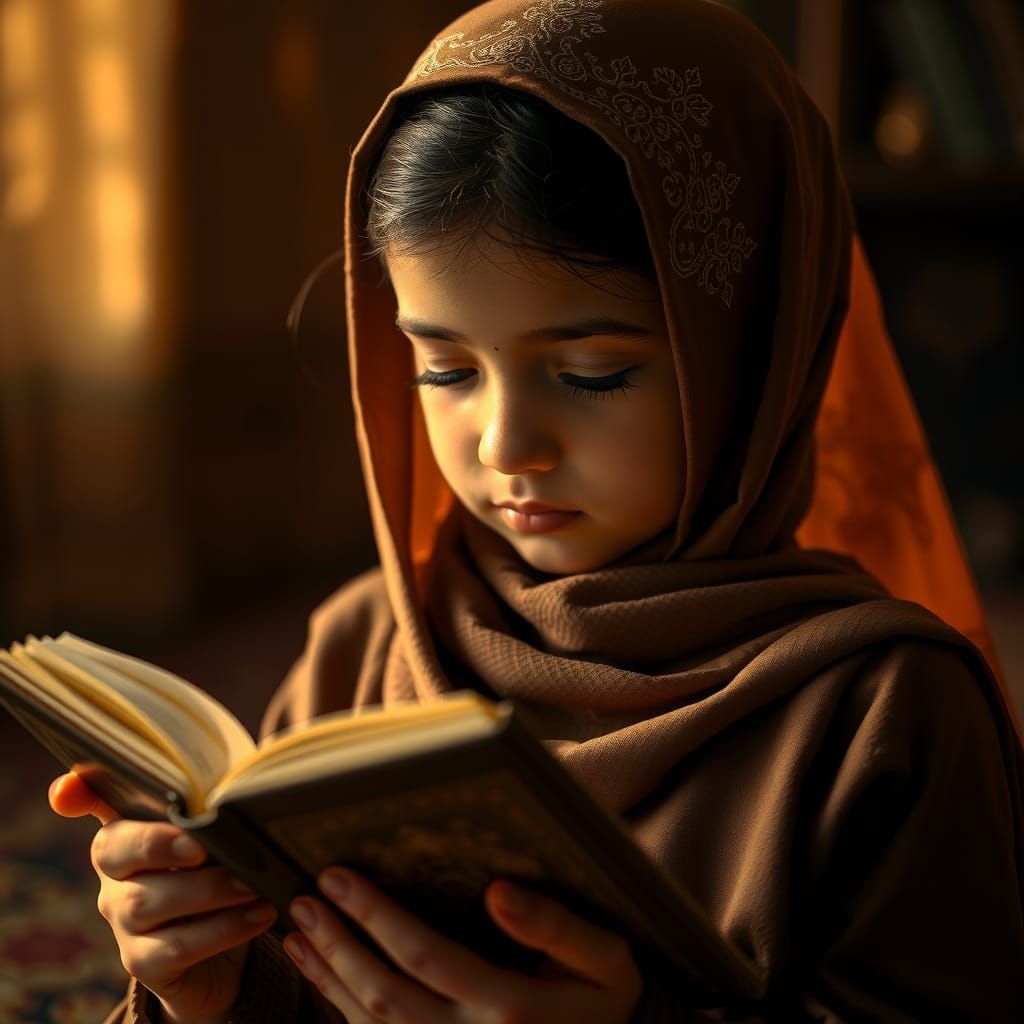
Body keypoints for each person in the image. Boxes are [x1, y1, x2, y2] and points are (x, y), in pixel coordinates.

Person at [49, 0, 1024, 1021]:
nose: (506, 444)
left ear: (750, 352)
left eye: (592, 373)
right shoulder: (371, 639)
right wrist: (205, 988)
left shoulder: (883, 708)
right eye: (442, 367)